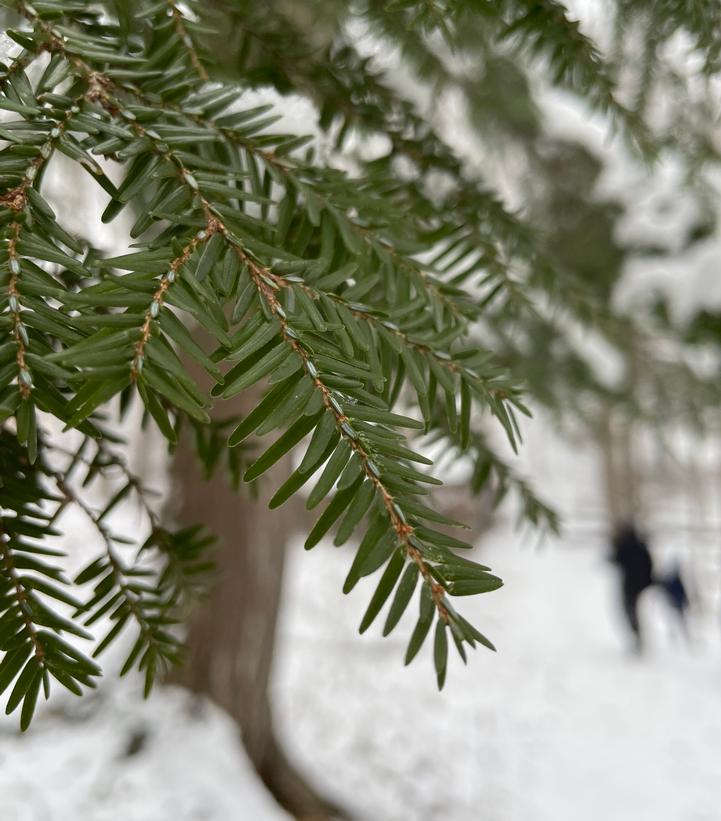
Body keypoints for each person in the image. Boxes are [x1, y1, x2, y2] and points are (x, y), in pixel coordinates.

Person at [609, 522, 654, 651]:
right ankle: (638, 636)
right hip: (639, 586)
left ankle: (637, 636)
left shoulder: (626, 546)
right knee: (633, 611)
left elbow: (616, 559)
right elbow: (650, 565)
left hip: (630, 586)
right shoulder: (641, 546)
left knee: (630, 611)